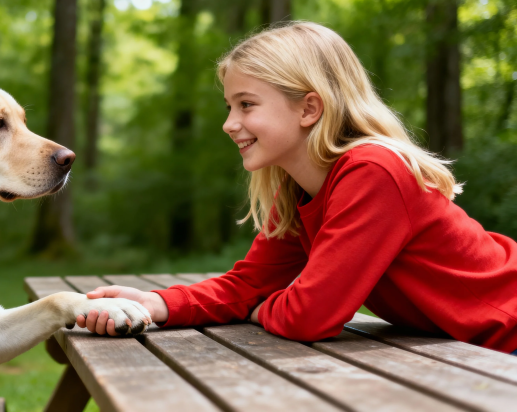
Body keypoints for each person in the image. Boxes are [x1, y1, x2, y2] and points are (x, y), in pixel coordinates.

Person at [75, 21, 517, 355]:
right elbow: (249, 284)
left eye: (247, 105)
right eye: (230, 106)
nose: (230, 124)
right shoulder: (298, 188)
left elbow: (309, 316)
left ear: (309, 108)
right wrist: (156, 304)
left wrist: (258, 309)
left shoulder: (375, 171)